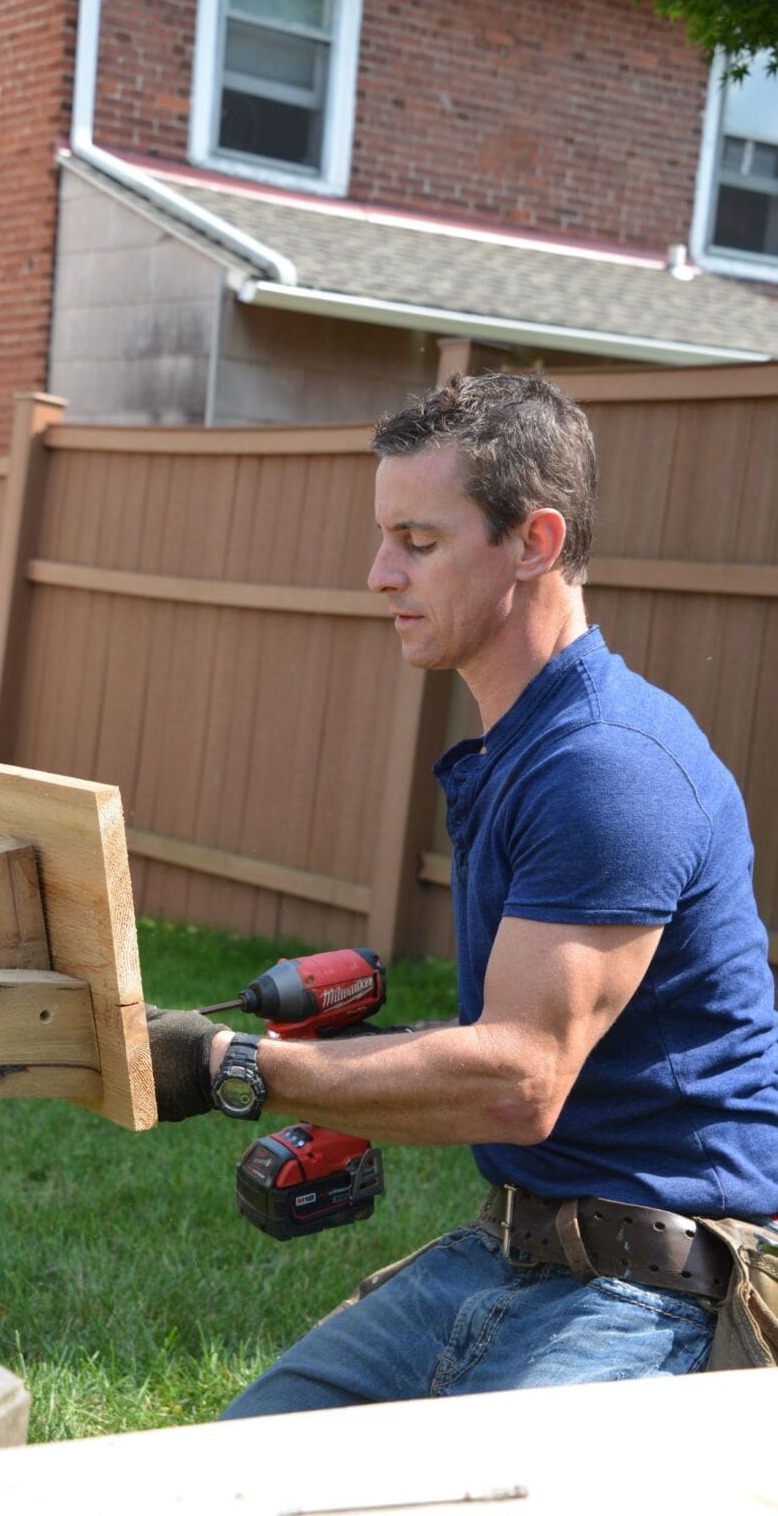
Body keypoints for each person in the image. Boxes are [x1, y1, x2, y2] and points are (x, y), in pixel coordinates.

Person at [145, 372, 778, 1416]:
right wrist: (363, 1070)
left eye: (418, 542)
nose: (377, 574)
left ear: (532, 542)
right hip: (505, 1247)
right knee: (225, 1474)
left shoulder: (608, 765)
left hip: (654, 1294)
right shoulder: (527, 747)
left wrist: (232, 1069)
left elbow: (517, 1080)